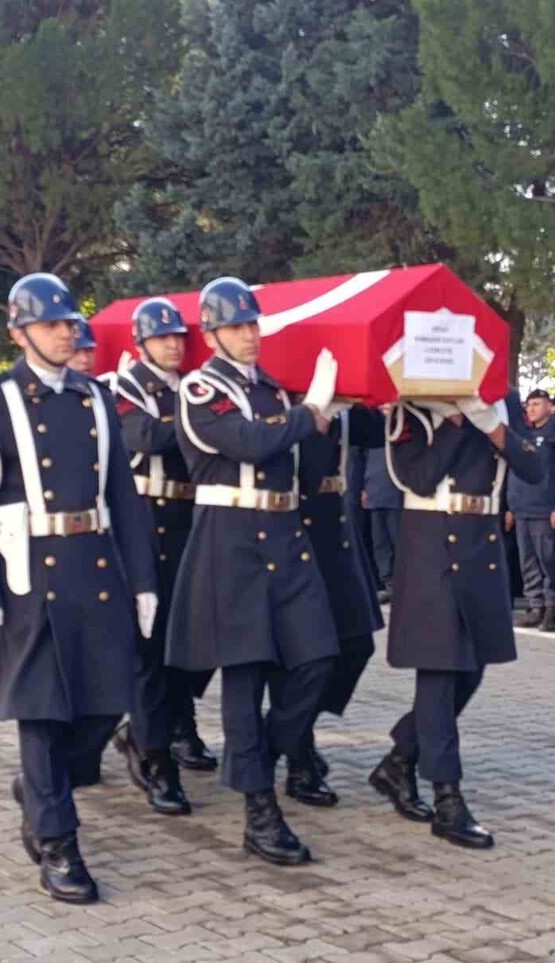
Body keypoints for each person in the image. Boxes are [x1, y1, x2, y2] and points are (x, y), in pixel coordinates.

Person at [0, 271, 158, 904]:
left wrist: (143, 579)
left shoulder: (95, 399)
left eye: (70, 322)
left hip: (93, 570)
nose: (67, 332)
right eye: (51, 324)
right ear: (19, 333)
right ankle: (57, 842)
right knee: (41, 715)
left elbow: (122, 497)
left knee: (102, 705)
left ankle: (39, 788)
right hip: (28, 581)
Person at [168, 276, 339, 866]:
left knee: (318, 656)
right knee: (245, 675)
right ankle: (259, 811)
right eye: (238, 325)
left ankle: (257, 760)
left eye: (253, 323)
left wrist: (328, 417)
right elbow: (245, 443)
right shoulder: (198, 389)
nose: (250, 333)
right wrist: (310, 411)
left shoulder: (271, 389)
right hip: (232, 540)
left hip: (285, 536)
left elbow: (296, 455)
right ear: (213, 332)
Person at [369, 389, 540, 851]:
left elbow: (534, 468)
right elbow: (417, 477)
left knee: (472, 670)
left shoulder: (501, 401)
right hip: (432, 539)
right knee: (440, 672)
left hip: (481, 541)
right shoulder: (413, 405)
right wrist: (455, 424)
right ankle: (448, 798)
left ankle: (400, 758)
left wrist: (493, 426)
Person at [107, 297, 212, 815]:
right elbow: (141, 434)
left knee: (194, 639)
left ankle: (170, 723)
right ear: (141, 343)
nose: (174, 345)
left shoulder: (189, 387)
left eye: (179, 338)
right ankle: (152, 757)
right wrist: (201, 416)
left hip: (192, 519)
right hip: (148, 520)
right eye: (162, 338)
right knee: (149, 646)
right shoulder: (127, 386)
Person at [294, 396, 387, 807]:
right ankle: (296, 750)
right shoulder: (278, 401)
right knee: (304, 652)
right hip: (291, 525)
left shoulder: (348, 409)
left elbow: (385, 430)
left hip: (337, 523)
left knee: (355, 643)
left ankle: (296, 726)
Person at [505, 389, 555, 631]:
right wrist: (510, 506)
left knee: (549, 561)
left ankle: (552, 608)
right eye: (529, 404)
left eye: (537, 404)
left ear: (550, 407)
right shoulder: (521, 435)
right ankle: (535, 605)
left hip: (545, 508)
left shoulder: (554, 437)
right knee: (527, 561)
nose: (531, 408)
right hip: (522, 507)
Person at [362, 444, 402, 604]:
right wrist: (363, 488)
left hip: (397, 490)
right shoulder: (372, 427)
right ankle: (389, 584)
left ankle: (402, 584)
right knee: (380, 542)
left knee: (398, 539)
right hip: (374, 489)